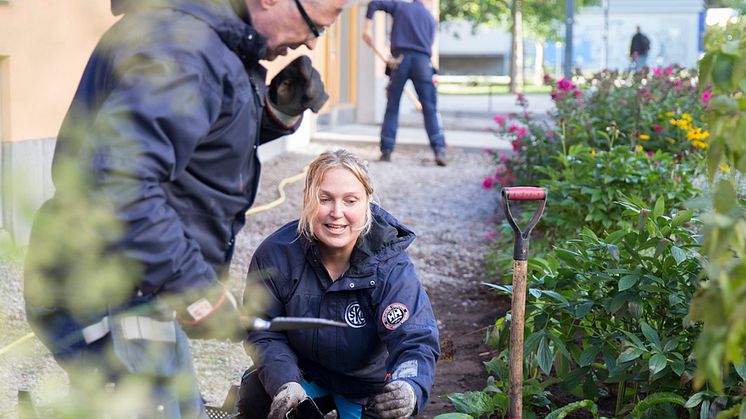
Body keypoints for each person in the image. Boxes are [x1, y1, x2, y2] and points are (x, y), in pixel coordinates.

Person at [22, 0, 348, 416]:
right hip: (104, 281)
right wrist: (193, 288)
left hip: (140, 280)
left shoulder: (211, 40)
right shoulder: (182, 49)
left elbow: (196, 146)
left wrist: (274, 112)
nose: (311, 42)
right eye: (314, 27)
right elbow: (120, 184)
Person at [238, 149, 440, 418]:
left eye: (350, 201)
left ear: (367, 204)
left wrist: (409, 387)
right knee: (256, 393)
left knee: (394, 410)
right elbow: (262, 330)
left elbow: (415, 339)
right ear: (307, 201)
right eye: (325, 199)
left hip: (368, 389)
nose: (337, 212)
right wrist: (286, 382)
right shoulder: (276, 255)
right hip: (304, 377)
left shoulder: (390, 265)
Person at [362, 0, 448, 167]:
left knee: (392, 106)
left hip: (400, 61)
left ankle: (386, 150)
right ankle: (439, 149)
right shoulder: (431, 20)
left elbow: (374, 4)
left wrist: (366, 29)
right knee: (430, 108)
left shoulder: (401, 7)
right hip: (423, 63)